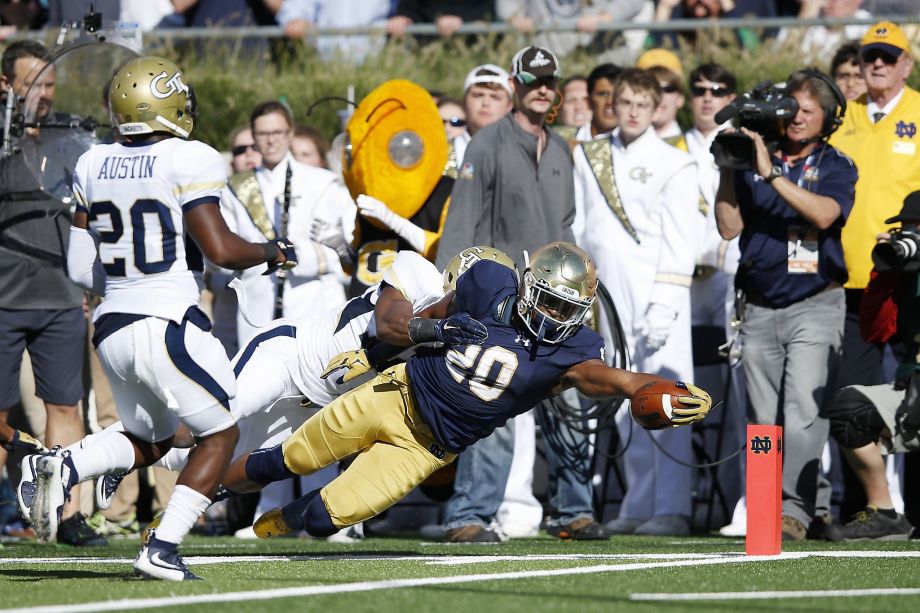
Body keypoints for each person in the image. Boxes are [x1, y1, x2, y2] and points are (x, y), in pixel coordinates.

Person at [225, 242, 712, 542]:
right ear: (526, 284)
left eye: (565, 310)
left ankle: (287, 518)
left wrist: (666, 393)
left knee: (326, 518)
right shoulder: (487, 283)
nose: (552, 316)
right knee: (289, 458)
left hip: (426, 449)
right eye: (546, 301)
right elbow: (431, 316)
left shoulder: (574, 353)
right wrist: (434, 334)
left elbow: (626, 384)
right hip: (393, 394)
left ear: (581, 313)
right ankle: (211, 487)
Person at [28, 56, 298, 581]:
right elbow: (219, 249)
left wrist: (127, 286)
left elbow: (81, 267)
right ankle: (163, 547)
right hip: (169, 319)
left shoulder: (91, 162)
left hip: (111, 324)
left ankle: (65, 465)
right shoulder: (190, 158)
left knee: (150, 434)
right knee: (219, 435)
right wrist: (271, 251)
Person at [436, 46, 606, 542]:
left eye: (550, 82)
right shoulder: (485, 144)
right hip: (503, 299)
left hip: (560, 301)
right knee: (492, 404)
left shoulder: (559, 148)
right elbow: (460, 228)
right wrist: (451, 295)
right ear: (515, 85)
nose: (543, 89)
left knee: (570, 401)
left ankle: (572, 510)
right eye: (533, 81)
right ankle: (470, 516)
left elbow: (568, 229)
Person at [715, 69, 857, 541]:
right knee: (761, 418)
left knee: (802, 412)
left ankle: (792, 511)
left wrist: (769, 174)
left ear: (828, 119)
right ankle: (768, 506)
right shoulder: (758, 154)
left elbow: (823, 214)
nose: (797, 119)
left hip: (815, 302)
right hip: (757, 304)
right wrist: (729, 170)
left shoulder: (836, 164)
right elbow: (728, 227)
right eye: (792, 109)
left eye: (809, 112)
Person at [573, 68, 700, 536]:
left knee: (667, 398)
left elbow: (682, 240)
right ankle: (638, 499)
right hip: (609, 296)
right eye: (623, 102)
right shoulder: (590, 156)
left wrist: (665, 303)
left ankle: (671, 507)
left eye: (641, 105)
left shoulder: (675, 163)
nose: (630, 112)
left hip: (658, 294)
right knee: (624, 397)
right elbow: (583, 229)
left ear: (656, 109)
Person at [0, 40, 100, 547]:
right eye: (32, 84)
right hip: (2, 297)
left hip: (61, 297)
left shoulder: (71, 137)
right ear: (6, 86)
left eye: (50, 84)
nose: (44, 94)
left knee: (67, 408)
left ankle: (68, 516)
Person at [824, 191, 920, 541]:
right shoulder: (906, 275)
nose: (910, 235)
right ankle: (885, 511)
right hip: (914, 392)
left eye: (917, 228)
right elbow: (874, 330)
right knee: (850, 409)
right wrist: (885, 276)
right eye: (906, 228)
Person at [221, 100, 353, 346]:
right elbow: (226, 251)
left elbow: (338, 251)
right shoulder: (235, 188)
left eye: (277, 132)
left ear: (290, 133)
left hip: (313, 303)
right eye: (263, 133)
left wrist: (296, 254)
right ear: (254, 136)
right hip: (255, 305)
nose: (271, 141)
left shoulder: (322, 182)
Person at [451, 64, 514, 168]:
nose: (486, 103)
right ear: (464, 101)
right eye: (478, 95)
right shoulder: (440, 150)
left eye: (495, 97)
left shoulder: (525, 152)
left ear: (509, 106)